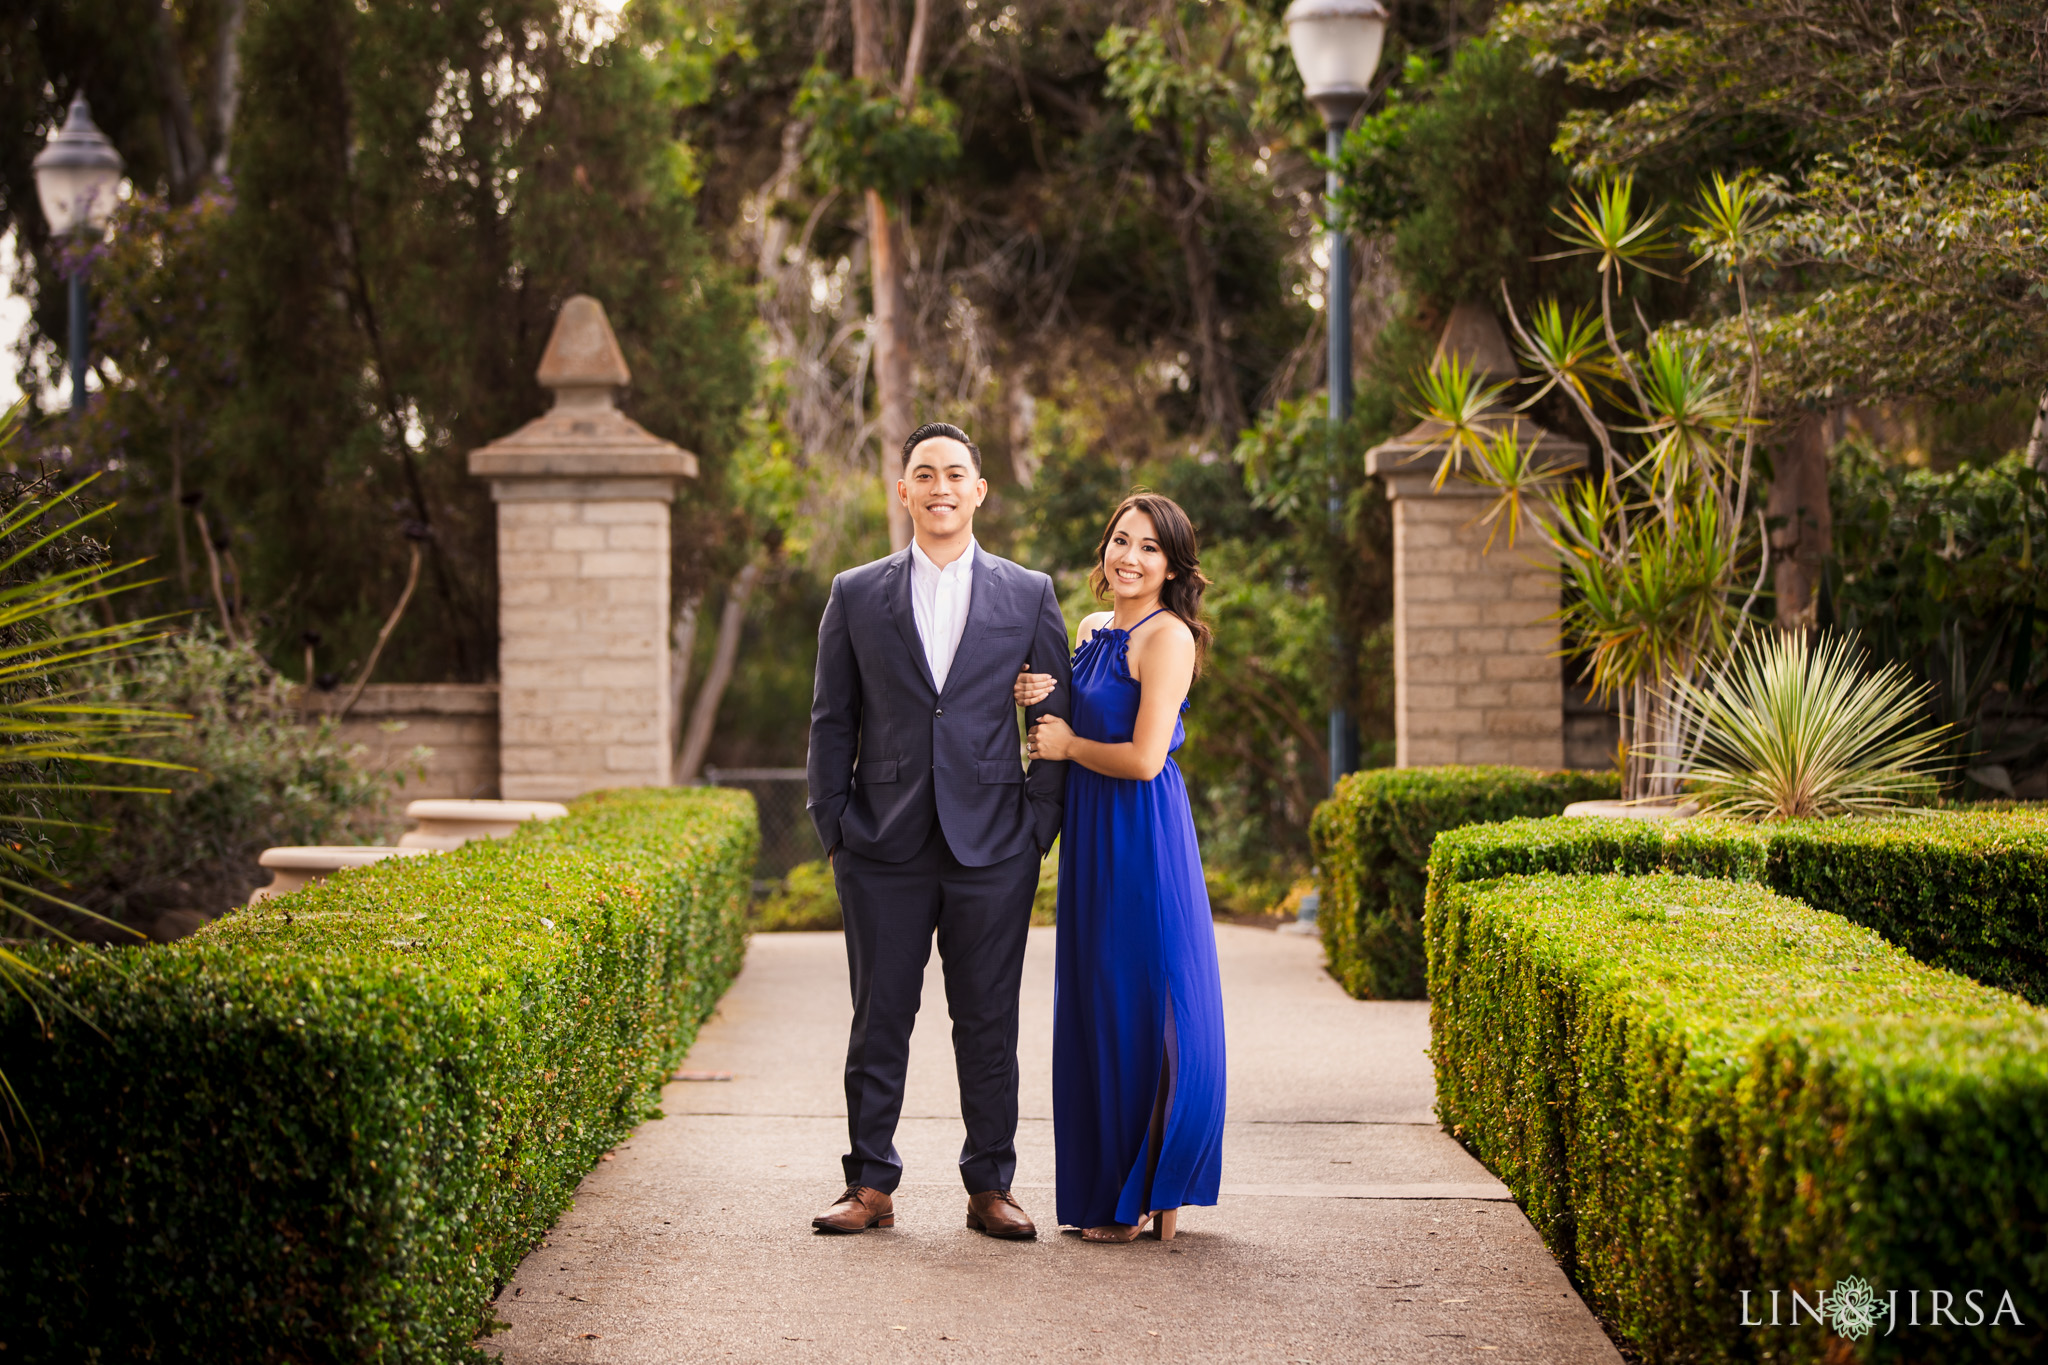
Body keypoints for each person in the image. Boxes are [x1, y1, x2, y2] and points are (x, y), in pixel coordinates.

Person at [804, 422, 1073, 1240]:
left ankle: (991, 1183)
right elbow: (830, 719)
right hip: (880, 845)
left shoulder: (1028, 592)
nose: (941, 486)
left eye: (956, 472)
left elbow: (1054, 715)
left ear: (979, 490)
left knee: (988, 1020)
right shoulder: (855, 592)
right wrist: (835, 830)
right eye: (925, 473)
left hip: (994, 846)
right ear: (904, 490)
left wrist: (1037, 827)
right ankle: (870, 1182)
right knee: (879, 1016)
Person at [1013, 492, 1227, 1243]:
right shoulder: (1092, 629)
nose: (1128, 557)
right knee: (1097, 1001)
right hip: (1091, 836)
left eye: (1148, 548)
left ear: (1172, 567)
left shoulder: (1168, 639)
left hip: (1142, 832)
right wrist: (1034, 697)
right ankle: (1110, 1189)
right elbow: (1070, 713)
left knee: (1144, 1000)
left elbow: (1141, 757)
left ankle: (1149, 1188)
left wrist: (1069, 747)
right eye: (1119, 540)